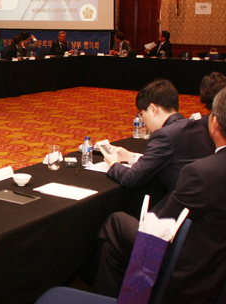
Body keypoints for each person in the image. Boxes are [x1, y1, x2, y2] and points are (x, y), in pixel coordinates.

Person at [93, 87, 226, 303]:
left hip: (187, 267)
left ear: (215, 124)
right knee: (114, 248)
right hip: (215, 261)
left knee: (116, 223)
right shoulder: (200, 142)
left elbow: (162, 225)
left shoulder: (201, 174)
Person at [100, 79, 214, 210]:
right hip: (205, 204)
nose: (143, 120)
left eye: (142, 114)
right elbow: (170, 159)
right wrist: (131, 156)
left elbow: (131, 179)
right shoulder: (196, 125)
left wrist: (113, 163)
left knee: (115, 221)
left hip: (183, 210)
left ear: (153, 109)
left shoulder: (164, 135)